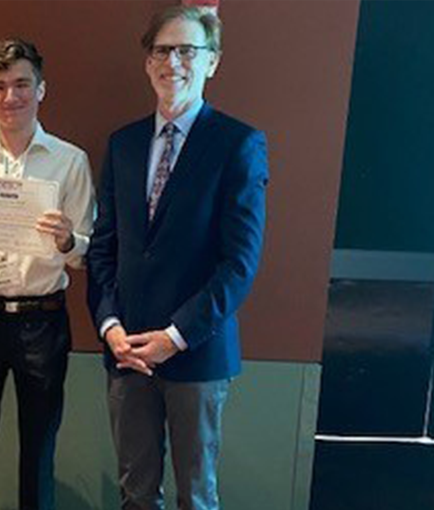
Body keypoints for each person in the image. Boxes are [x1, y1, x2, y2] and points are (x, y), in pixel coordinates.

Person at [86, 6, 269, 510]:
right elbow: (104, 248)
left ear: (213, 62)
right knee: (135, 494)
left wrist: (175, 336)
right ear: (148, 63)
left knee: (196, 496)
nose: (174, 62)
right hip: (127, 354)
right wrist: (109, 326)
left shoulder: (239, 144)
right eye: (163, 50)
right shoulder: (123, 144)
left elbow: (239, 264)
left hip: (197, 351)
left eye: (188, 50)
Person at [0, 39, 95, 510]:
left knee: (38, 454)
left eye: (22, 84)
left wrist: (69, 239)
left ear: (42, 89)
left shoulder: (71, 161)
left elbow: (84, 253)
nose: (12, 97)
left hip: (42, 321)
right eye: (0, 86)